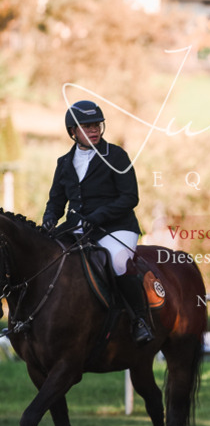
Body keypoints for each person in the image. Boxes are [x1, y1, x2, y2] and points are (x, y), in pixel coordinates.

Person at [42, 99, 154, 345]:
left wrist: (98, 216)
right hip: (78, 227)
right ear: (73, 131)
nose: (94, 130)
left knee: (118, 262)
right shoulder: (64, 163)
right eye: (87, 126)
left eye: (96, 125)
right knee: (47, 258)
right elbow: (56, 201)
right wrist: (49, 219)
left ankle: (139, 320)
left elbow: (130, 197)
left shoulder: (116, 155)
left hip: (116, 227)